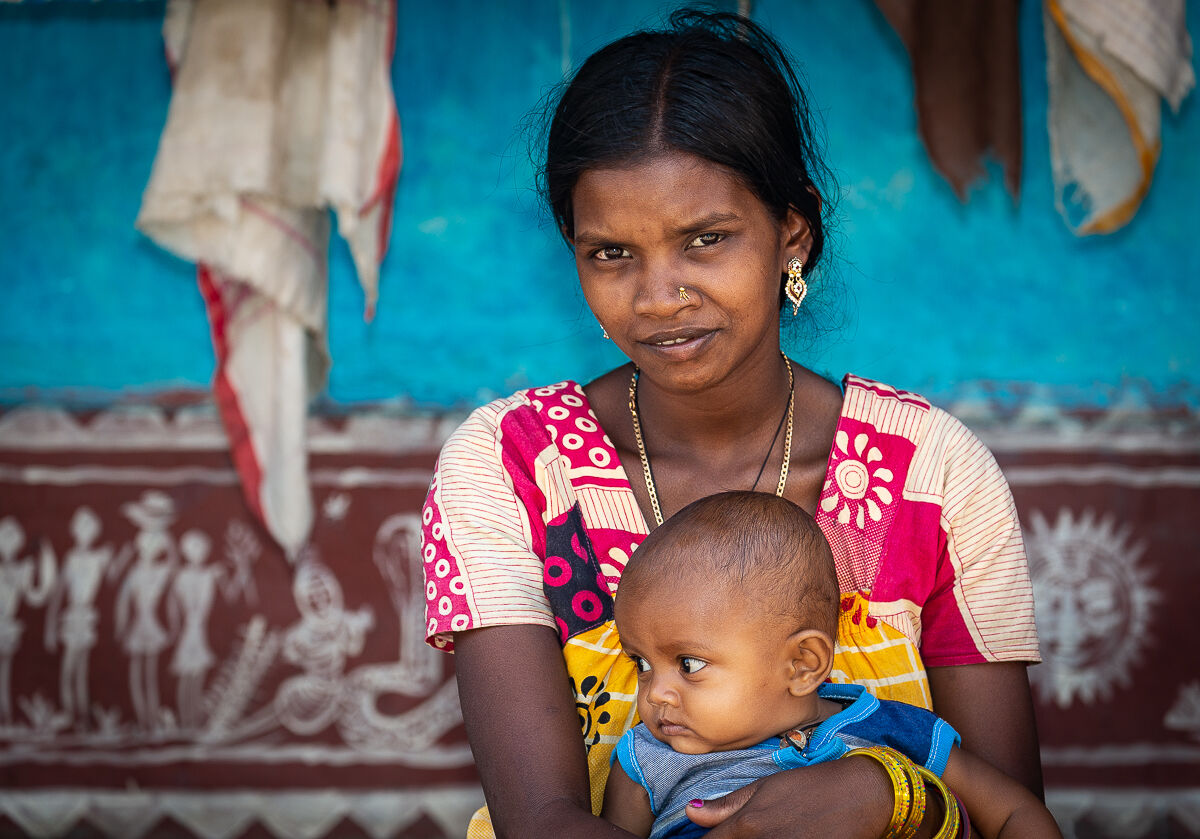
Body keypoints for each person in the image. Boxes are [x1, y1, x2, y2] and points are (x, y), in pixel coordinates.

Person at [421, 9, 1043, 837]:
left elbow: (1009, 811)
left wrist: (882, 794)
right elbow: (543, 822)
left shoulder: (931, 473)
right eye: (611, 252)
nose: (657, 297)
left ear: (793, 231)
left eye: (704, 239)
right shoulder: (513, 467)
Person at [601, 491, 1060, 839]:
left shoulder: (895, 730)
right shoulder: (646, 760)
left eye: (689, 663)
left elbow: (1012, 812)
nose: (655, 692)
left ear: (802, 665)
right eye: (641, 662)